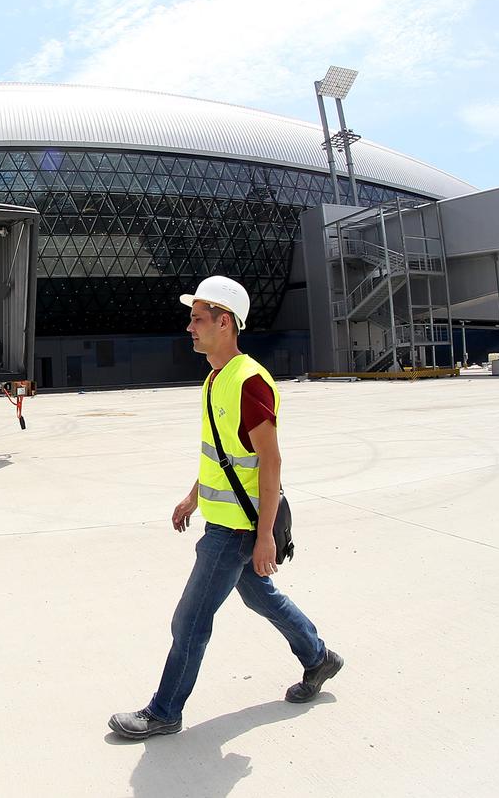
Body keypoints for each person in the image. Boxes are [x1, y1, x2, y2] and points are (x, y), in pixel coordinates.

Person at [109, 275, 342, 740]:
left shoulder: (250, 382)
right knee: (263, 599)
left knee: (189, 620)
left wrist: (263, 539)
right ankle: (319, 658)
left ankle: (164, 711)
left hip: (236, 531)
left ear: (226, 322)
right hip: (224, 520)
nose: (189, 327)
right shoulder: (216, 378)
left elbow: (270, 461)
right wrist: (192, 497)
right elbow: (222, 453)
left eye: (198, 319)